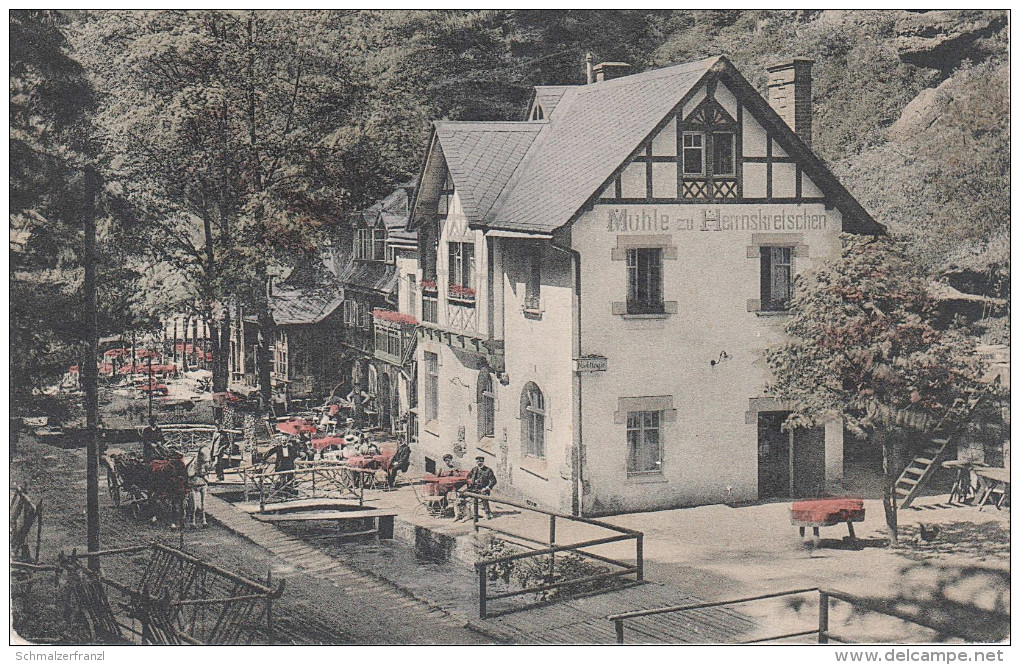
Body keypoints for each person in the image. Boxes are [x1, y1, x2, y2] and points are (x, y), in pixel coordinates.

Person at [455, 456, 497, 521]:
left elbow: (494, 481)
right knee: (461, 496)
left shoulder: (488, 470)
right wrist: (470, 480)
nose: (479, 463)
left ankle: (487, 514)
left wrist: (487, 488)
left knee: (484, 497)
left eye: (481, 461)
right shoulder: (474, 469)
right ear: (476, 462)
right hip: (473, 488)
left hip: (483, 489)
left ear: (483, 462)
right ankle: (462, 514)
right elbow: (468, 476)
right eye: (478, 461)